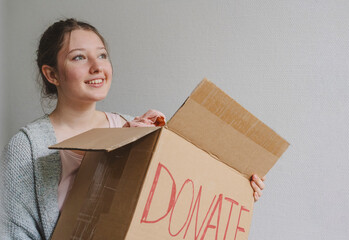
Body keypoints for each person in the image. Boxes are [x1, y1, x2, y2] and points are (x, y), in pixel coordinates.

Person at [1, 18, 265, 239]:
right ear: (52, 74)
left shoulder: (138, 128)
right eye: (79, 57)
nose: (97, 67)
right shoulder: (28, 146)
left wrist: (237, 185)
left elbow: (177, 207)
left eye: (102, 55)